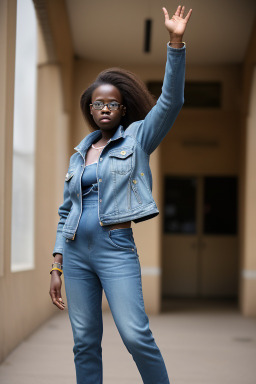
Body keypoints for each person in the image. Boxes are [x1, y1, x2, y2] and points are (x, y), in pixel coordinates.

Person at [49, 5, 192, 384]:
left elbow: (171, 102)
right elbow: (66, 211)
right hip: (76, 250)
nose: (105, 109)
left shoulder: (138, 139)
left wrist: (175, 43)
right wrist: (56, 262)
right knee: (84, 341)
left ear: (123, 107)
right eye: (99, 103)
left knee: (135, 334)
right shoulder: (79, 154)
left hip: (115, 246)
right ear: (90, 109)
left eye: (113, 103)